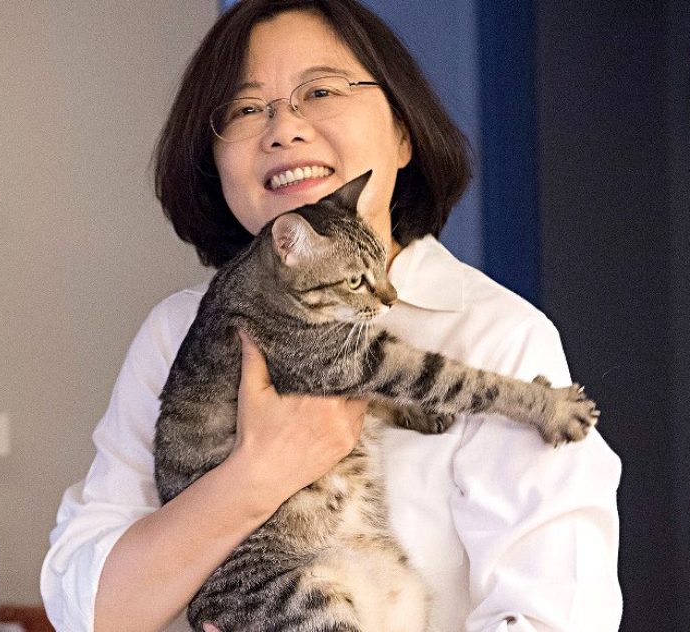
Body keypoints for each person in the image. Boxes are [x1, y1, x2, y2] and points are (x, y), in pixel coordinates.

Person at [40, 1, 623, 630]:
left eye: (319, 91)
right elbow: (88, 608)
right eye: (245, 108)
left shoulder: (499, 338)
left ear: (402, 135)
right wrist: (257, 476)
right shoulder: (175, 334)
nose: (283, 129)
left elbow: (556, 616)